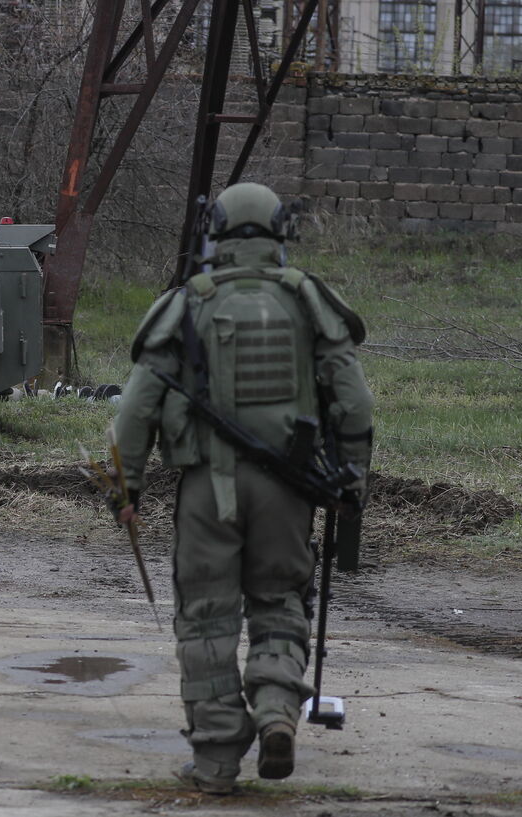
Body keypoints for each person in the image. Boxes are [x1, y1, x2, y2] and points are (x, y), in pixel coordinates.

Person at [109, 182, 374, 794]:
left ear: (216, 234)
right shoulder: (309, 301)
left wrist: (127, 490)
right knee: (280, 602)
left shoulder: (186, 304)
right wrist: (351, 481)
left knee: (206, 619)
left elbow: (136, 411)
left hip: (208, 491)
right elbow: (355, 404)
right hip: (289, 491)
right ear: (281, 232)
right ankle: (278, 709)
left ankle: (215, 763)